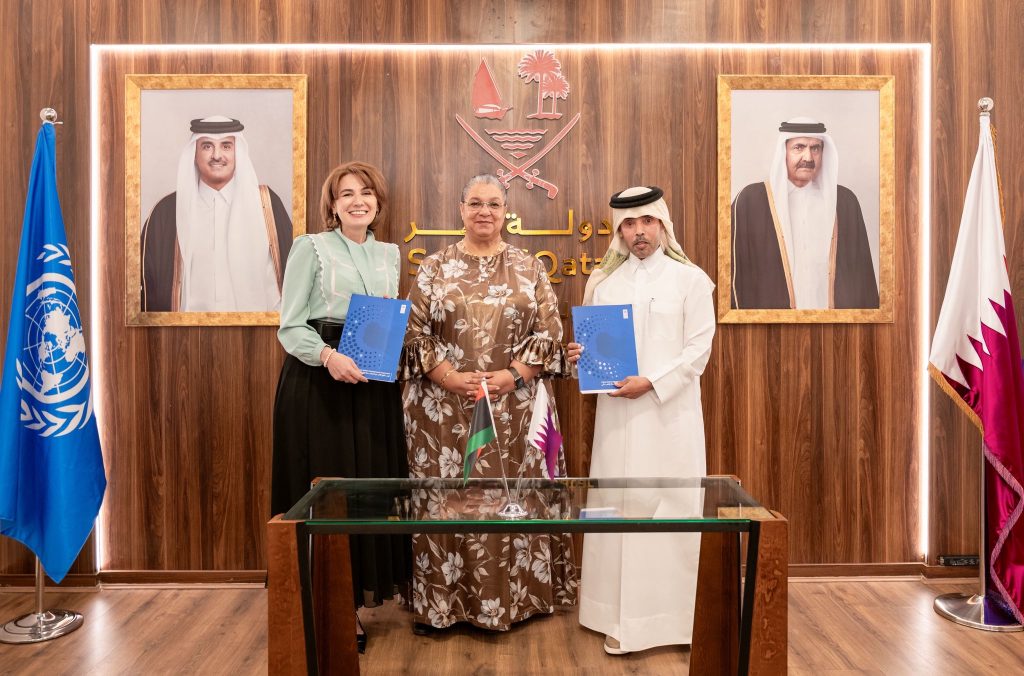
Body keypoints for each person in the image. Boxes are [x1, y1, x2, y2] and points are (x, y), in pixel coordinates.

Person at [402, 174, 577, 632]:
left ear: (506, 212)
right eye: (475, 203)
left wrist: (512, 375)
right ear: (460, 209)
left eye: (494, 204)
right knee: (452, 500)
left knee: (511, 500)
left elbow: (550, 334)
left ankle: (520, 602)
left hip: (516, 410)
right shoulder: (434, 267)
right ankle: (443, 608)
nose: (485, 211)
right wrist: (450, 377)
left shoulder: (530, 266)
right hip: (443, 413)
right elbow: (413, 333)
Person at [569, 185, 716, 655]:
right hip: (617, 421)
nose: (638, 232)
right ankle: (612, 616)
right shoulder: (603, 285)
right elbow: (594, 356)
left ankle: (674, 621)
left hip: (670, 419)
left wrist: (651, 381)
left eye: (646, 222)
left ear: (662, 225)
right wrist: (579, 354)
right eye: (628, 225)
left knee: (669, 510)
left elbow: (699, 351)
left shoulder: (692, 281)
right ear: (619, 231)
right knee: (616, 509)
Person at [270, 161, 409, 653]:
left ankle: (358, 595)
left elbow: (386, 317)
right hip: (319, 383)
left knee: (366, 488)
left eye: (366, 193)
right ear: (332, 204)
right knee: (326, 492)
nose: (357, 201)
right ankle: (333, 609)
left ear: (377, 202)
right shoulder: (310, 247)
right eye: (345, 194)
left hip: (371, 387)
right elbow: (290, 326)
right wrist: (328, 358)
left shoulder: (390, 253)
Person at [141, 115, 293, 312]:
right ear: (194, 153)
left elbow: (292, 279)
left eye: (226, 146)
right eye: (207, 146)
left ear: (238, 151)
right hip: (186, 339)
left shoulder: (267, 205)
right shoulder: (166, 212)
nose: (217, 155)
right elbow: (148, 290)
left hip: (256, 336)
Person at [730, 116, 879, 309]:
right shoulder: (750, 201)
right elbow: (731, 277)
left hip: (833, 331)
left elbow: (863, 277)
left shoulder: (844, 202)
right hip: (771, 332)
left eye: (815, 148)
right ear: (783, 151)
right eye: (799, 147)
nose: (808, 158)